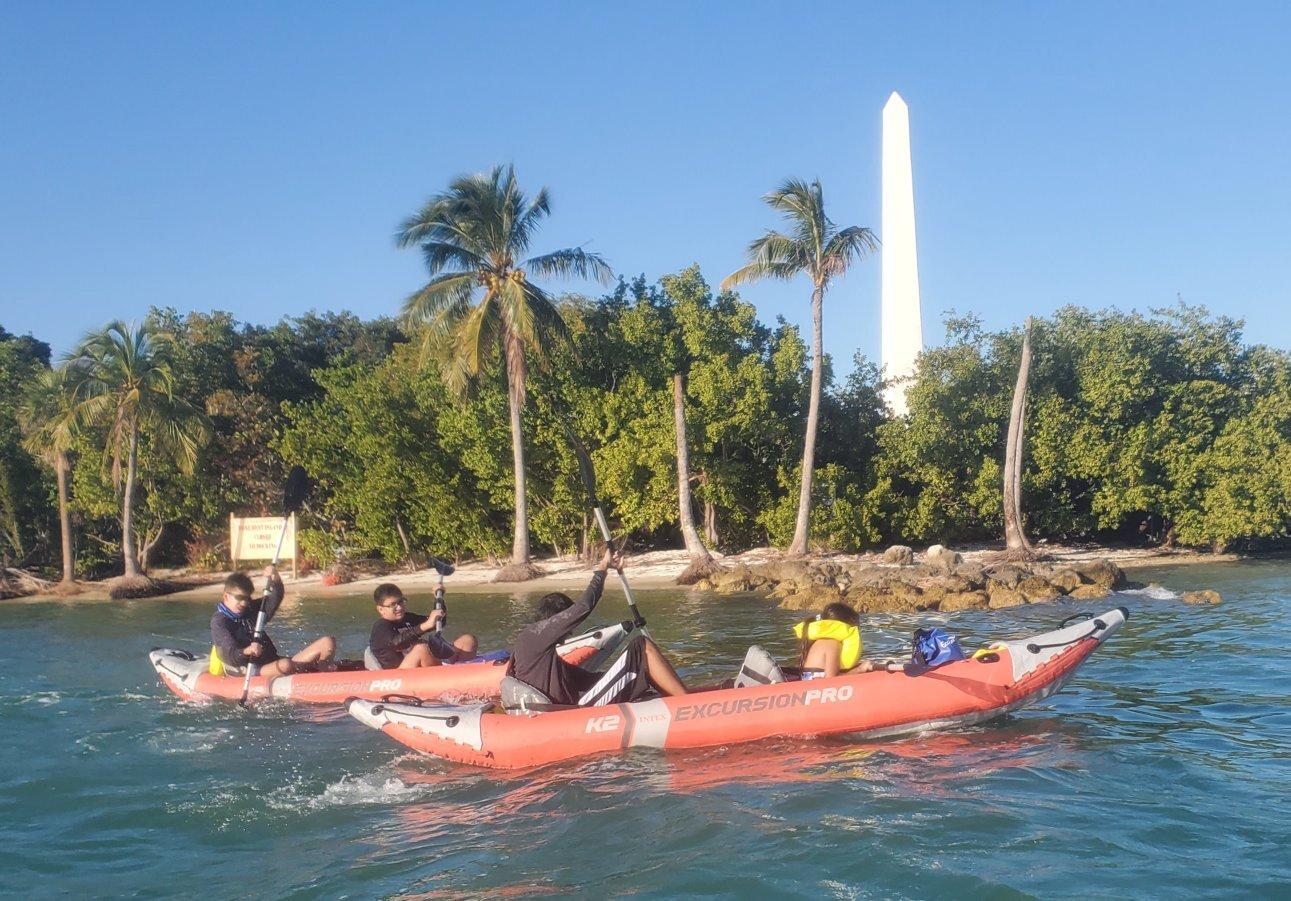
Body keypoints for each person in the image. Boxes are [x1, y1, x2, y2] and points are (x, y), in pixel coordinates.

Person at [508, 548, 689, 706]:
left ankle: (679, 697)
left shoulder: (542, 654)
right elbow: (584, 606)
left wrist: (634, 672)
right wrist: (603, 567)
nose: (569, 632)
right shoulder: (533, 635)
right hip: (571, 716)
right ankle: (689, 707)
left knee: (637, 660)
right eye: (567, 625)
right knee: (642, 647)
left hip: (567, 710)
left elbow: (592, 681)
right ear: (556, 618)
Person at [209, 565, 336, 676]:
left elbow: (273, 599)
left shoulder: (250, 609)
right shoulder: (220, 622)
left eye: (247, 598)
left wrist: (276, 579)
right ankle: (311, 672)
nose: (244, 603)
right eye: (240, 598)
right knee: (285, 665)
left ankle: (323, 674)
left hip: (270, 662)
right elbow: (230, 656)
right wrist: (247, 651)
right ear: (226, 596)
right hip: (244, 670)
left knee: (328, 642)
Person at [369, 583, 479, 669]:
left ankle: (464, 675)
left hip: (426, 667)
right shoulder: (380, 627)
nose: (399, 607)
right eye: (393, 604)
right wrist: (424, 626)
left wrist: (438, 599)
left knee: (468, 640)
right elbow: (397, 644)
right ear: (381, 609)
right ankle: (444, 679)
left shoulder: (408, 618)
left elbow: (439, 622)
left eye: (401, 602)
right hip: (399, 674)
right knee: (421, 648)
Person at [793, 601, 876, 679]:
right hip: (819, 688)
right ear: (845, 626)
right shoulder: (832, 644)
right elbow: (831, 680)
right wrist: (860, 669)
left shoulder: (822, 641)